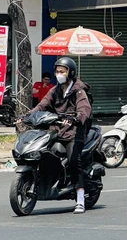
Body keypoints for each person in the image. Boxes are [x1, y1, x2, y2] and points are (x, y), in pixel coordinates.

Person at [32, 57, 93, 214]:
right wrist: (27, 115)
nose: (59, 74)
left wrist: (77, 118)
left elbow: (84, 109)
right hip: (57, 129)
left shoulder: (79, 90)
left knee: (74, 160)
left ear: (70, 72)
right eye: (57, 71)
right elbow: (42, 105)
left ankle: (80, 198)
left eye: (62, 71)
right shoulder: (55, 90)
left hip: (75, 132)